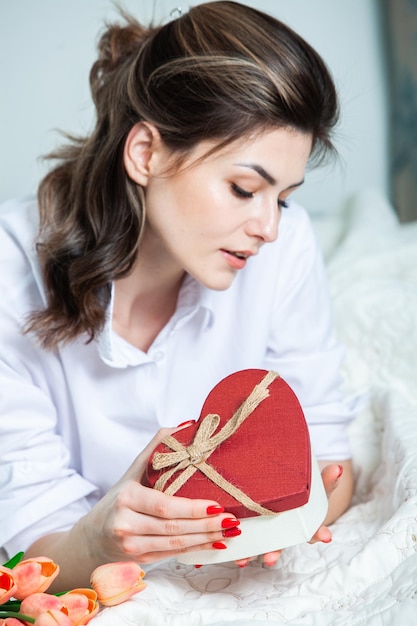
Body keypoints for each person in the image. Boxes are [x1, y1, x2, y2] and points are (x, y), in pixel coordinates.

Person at [0, 1, 355, 591]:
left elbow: (330, 456)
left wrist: (284, 515)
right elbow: (34, 553)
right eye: (244, 188)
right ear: (146, 153)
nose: (269, 226)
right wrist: (101, 538)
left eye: (285, 197)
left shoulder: (286, 247)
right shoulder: (9, 273)